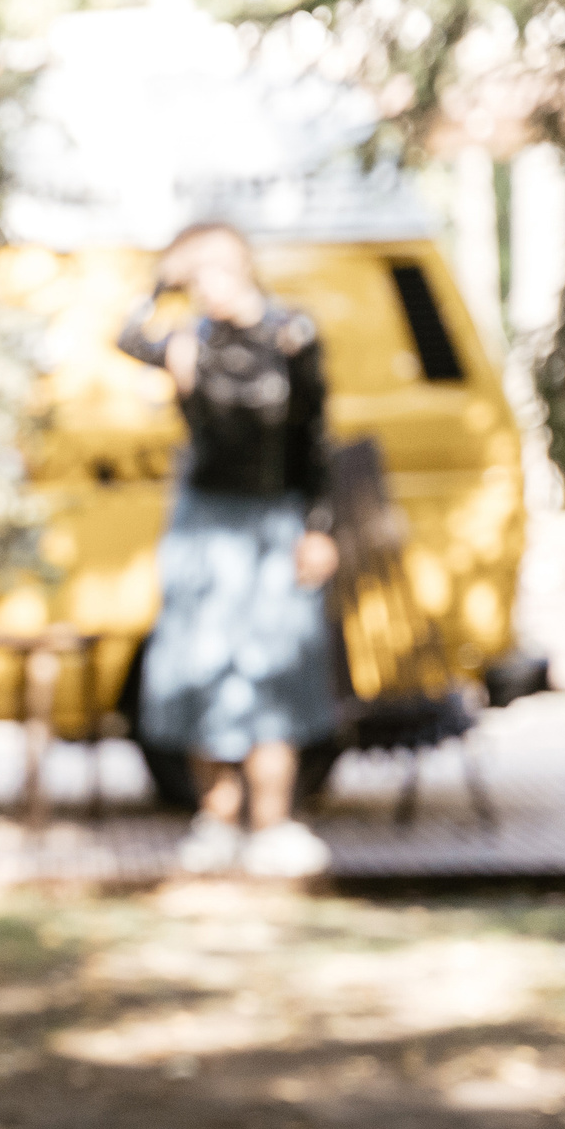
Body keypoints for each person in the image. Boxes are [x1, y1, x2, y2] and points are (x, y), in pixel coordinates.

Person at [119, 222, 342, 878]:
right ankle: (215, 820)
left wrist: (319, 526)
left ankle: (272, 824)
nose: (203, 288)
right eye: (193, 278)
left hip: (274, 517)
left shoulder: (291, 334)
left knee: (274, 666)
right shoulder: (189, 340)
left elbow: (315, 436)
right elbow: (124, 335)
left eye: (212, 271)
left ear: (241, 267)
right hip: (204, 525)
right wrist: (160, 284)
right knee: (201, 663)